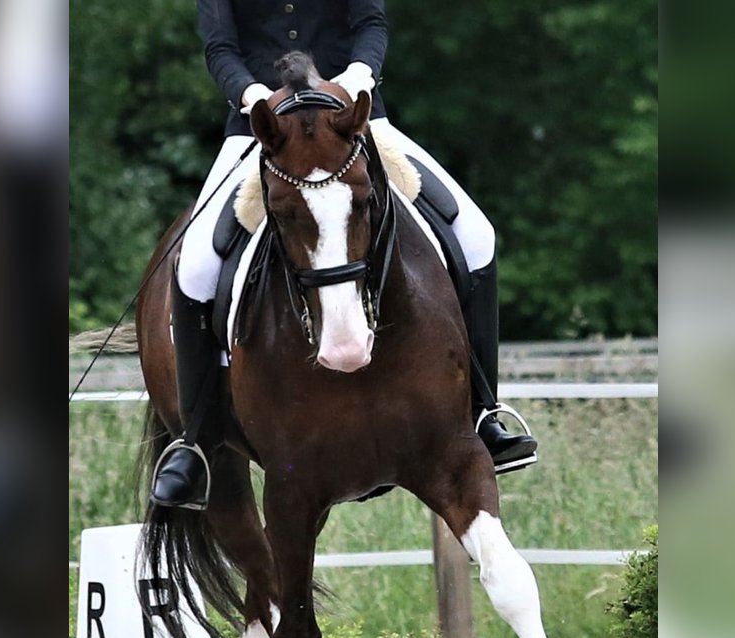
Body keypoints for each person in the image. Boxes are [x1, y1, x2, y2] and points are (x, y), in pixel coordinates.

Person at [152, 0, 537, 508]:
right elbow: (220, 47)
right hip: (263, 131)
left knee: (476, 235)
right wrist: (253, 96)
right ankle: (197, 444)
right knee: (196, 265)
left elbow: (370, 24)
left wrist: (358, 76)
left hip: (351, 124)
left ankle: (484, 411)